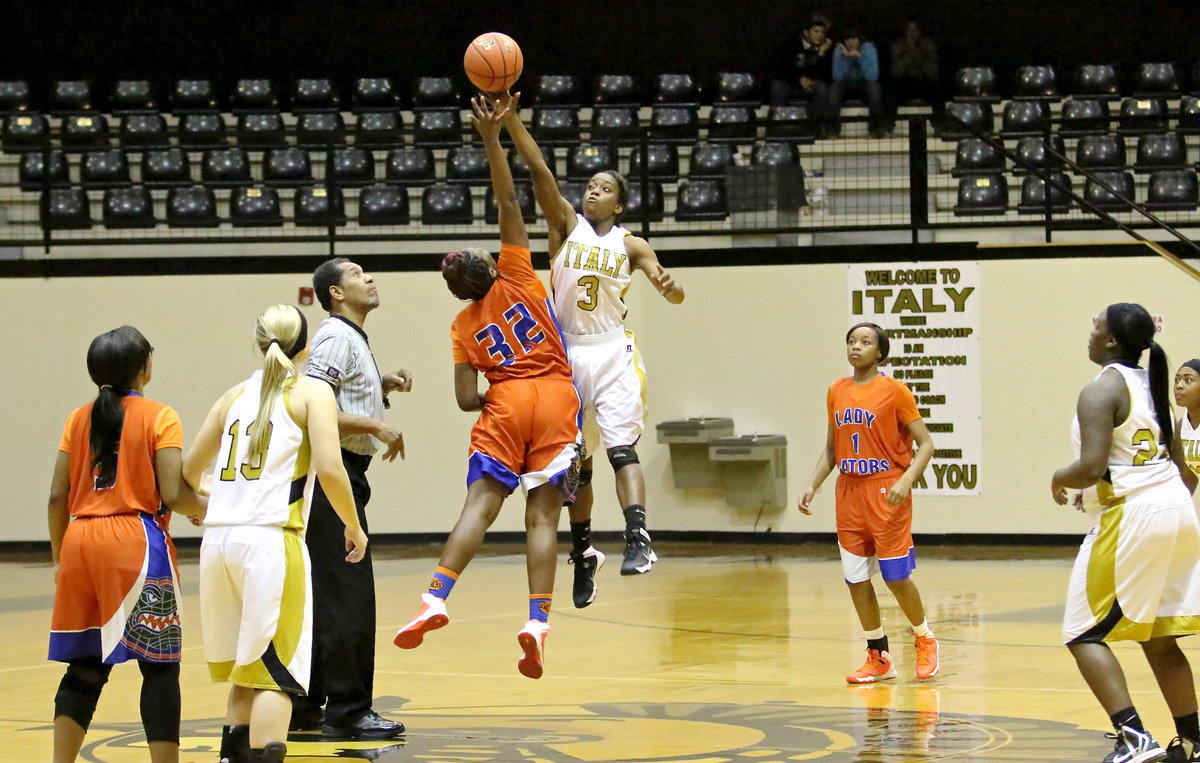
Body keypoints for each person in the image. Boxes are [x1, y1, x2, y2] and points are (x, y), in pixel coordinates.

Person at [393, 94, 580, 679]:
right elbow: (508, 198)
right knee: (542, 520)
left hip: (502, 403)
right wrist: (491, 138)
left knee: (479, 506)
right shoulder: (519, 275)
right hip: (553, 396)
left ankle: (434, 600)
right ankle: (537, 622)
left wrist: (494, 390)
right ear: (494, 267)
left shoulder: (462, 325)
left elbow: (463, 399)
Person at [501, 90, 684, 604]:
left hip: (612, 352)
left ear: (620, 204)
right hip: (567, 356)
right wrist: (513, 121)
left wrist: (669, 286)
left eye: (605, 189)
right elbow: (540, 173)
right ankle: (583, 553)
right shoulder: (566, 227)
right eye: (591, 186)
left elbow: (667, 284)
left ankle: (639, 540)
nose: (593, 192)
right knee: (575, 466)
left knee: (622, 450)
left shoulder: (630, 243)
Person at [184, 305, 369, 763]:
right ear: (306, 346)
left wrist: (220, 499)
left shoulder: (233, 396)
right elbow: (330, 467)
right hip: (270, 543)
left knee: (248, 671)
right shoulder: (311, 393)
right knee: (277, 675)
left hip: (219, 545)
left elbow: (190, 470)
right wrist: (353, 525)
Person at [46, 326, 205, 763]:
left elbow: (57, 497)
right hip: (132, 540)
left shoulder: (76, 419)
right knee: (158, 666)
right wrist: (212, 509)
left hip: (79, 541)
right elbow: (174, 493)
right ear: (143, 367)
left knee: (84, 666)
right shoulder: (160, 415)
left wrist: (61, 559)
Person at [1051, 303, 1200, 762]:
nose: (1091, 333)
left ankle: (1134, 738)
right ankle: (1194, 741)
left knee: (1082, 632)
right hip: (1174, 506)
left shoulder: (1100, 390)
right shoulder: (1152, 383)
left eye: (1096, 326)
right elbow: (1171, 461)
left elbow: (1091, 465)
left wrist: (1060, 477)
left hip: (1132, 515)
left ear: (1112, 340)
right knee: (1156, 635)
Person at [289, 259, 410, 739]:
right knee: (348, 598)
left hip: (341, 473)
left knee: (323, 598)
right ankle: (350, 711)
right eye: (358, 274)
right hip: (329, 477)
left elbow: (335, 397)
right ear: (337, 292)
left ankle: (305, 704)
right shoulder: (337, 336)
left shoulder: (350, 337)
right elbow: (309, 404)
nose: (371, 278)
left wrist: (379, 389)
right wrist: (377, 423)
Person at [798, 322, 940, 684]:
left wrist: (906, 479)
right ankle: (878, 656)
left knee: (895, 576)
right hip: (849, 490)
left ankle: (924, 637)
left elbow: (926, 444)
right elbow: (832, 449)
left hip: (886, 489)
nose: (856, 347)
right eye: (851, 341)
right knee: (856, 578)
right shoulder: (835, 390)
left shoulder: (895, 391)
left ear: (880, 352)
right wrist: (813, 485)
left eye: (865, 342)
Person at [769, 18, 834, 136]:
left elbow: (825, 75)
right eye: (816, 31)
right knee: (777, 86)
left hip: (812, 84)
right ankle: (777, 129)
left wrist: (821, 54)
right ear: (806, 33)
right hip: (791, 83)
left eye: (822, 32)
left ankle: (816, 130)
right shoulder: (791, 46)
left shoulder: (826, 50)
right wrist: (799, 79)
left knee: (822, 87)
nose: (820, 35)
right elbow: (782, 68)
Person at [828, 27, 887, 138]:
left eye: (854, 39)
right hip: (845, 84)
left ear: (859, 40)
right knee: (833, 91)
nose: (851, 42)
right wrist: (846, 58)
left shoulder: (869, 49)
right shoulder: (838, 51)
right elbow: (837, 77)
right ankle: (832, 130)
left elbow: (872, 76)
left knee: (875, 89)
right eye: (848, 39)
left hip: (863, 83)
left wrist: (860, 58)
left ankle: (875, 129)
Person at [888, 20, 941, 118]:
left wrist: (918, 57)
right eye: (909, 29)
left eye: (915, 29)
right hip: (905, 84)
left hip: (923, 83)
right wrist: (908, 58)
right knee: (892, 89)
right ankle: (890, 125)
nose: (912, 33)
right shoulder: (897, 46)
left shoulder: (928, 45)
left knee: (936, 85)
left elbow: (933, 71)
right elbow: (896, 72)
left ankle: (939, 124)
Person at [1175, 359, 1200, 479]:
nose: (1179, 385)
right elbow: (1190, 476)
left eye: (1188, 380)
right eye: (1177, 380)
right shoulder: (1181, 426)